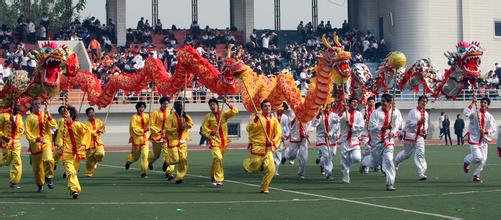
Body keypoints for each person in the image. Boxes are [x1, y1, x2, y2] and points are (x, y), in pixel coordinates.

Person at [361, 94, 402, 191]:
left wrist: (393, 132)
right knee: (374, 163)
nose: (383, 103)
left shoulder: (395, 113)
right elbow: (371, 127)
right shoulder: (376, 113)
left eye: (385, 101)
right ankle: (364, 162)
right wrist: (383, 128)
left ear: (390, 103)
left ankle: (390, 183)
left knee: (388, 160)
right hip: (377, 142)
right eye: (382, 101)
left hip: (388, 141)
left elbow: (397, 125)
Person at [243, 99, 282, 193]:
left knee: (271, 169)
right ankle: (246, 164)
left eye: (269, 106)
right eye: (265, 106)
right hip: (257, 147)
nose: (268, 108)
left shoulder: (274, 120)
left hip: (268, 149)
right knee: (254, 166)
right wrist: (255, 120)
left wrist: (273, 141)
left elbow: (278, 133)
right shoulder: (256, 118)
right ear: (262, 108)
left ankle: (264, 187)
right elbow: (249, 128)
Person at [55, 106, 91, 199]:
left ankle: (73, 187)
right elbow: (59, 139)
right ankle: (75, 190)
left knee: (73, 172)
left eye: (66, 113)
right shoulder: (62, 128)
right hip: (67, 153)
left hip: (77, 153)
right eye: (64, 113)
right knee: (70, 172)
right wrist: (60, 146)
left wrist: (84, 144)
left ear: (71, 114)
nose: (64, 115)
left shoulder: (78, 125)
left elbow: (87, 132)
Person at [201, 97, 239, 186]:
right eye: (210, 105)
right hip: (214, 141)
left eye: (213, 104)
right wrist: (212, 132)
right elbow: (204, 130)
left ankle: (212, 176)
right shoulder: (208, 117)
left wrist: (227, 103)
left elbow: (235, 111)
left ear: (217, 105)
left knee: (216, 160)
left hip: (224, 142)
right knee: (218, 158)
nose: (212, 106)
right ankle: (219, 179)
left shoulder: (224, 113)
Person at [25, 97, 57, 192]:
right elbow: (27, 132)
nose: (38, 105)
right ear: (33, 106)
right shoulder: (29, 118)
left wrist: (49, 116)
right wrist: (36, 139)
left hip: (46, 142)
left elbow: (54, 126)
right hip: (35, 145)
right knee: (37, 168)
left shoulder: (46, 115)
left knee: (48, 159)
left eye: (39, 103)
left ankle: (49, 177)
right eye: (35, 104)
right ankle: (40, 185)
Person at [394, 95, 429, 180]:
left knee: (420, 153)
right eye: (422, 101)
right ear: (418, 101)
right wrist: (418, 122)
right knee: (407, 154)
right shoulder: (412, 111)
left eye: (425, 101)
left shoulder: (426, 113)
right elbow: (409, 123)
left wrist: (425, 130)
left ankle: (421, 172)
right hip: (410, 135)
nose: (424, 103)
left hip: (419, 137)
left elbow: (426, 124)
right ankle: (395, 162)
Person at [463, 97, 497, 183]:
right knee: (478, 158)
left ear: (488, 105)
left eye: (485, 103)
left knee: (484, 160)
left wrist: (485, 131)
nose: (482, 104)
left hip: (483, 140)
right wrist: (472, 103)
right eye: (481, 102)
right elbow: (466, 113)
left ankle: (476, 175)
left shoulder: (490, 116)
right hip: (474, 139)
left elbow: (493, 129)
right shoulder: (475, 112)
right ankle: (466, 160)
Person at [164, 101, 193, 184]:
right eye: (179, 106)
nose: (180, 107)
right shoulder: (170, 117)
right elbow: (167, 130)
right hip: (173, 140)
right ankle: (167, 162)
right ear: (175, 107)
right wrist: (176, 129)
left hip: (182, 140)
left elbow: (190, 125)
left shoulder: (184, 116)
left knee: (183, 159)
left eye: (181, 106)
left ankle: (179, 178)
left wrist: (186, 117)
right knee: (175, 160)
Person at [339, 98, 364, 183]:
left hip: (354, 140)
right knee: (343, 163)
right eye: (353, 102)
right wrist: (342, 111)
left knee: (357, 158)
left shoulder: (359, 114)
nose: (355, 103)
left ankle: (348, 163)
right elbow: (336, 120)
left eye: (357, 102)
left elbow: (361, 126)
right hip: (344, 140)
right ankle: (345, 179)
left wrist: (352, 125)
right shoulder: (344, 114)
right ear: (349, 103)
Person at [311, 103, 339, 180]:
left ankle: (321, 164)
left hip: (331, 138)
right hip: (321, 137)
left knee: (331, 155)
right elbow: (313, 124)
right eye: (325, 105)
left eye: (328, 105)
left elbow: (336, 126)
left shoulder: (334, 115)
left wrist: (330, 134)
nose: (327, 107)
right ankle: (329, 172)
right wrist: (318, 116)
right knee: (326, 155)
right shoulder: (319, 115)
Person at [281, 111, 313, 179]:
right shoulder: (292, 112)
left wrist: (308, 133)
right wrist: (296, 116)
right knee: (291, 156)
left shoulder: (309, 113)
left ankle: (301, 173)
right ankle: (285, 156)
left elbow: (310, 126)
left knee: (304, 158)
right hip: (294, 137)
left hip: (304, 139)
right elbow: (289, 123)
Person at [0, 104, 24, 189]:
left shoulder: (19, 117)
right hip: (6, 142)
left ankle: (14, 182)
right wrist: (2, 136)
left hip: (16, 142)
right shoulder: (3, 116)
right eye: (16, 109)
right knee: (6, 161)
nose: (18, 110)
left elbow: (21, 130)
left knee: (17, 161)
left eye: (19, 110)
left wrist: (13, 122)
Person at [125, 102, 150, 178]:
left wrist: (151, 119)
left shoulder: (147, 116)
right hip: (136, 139)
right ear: (137, 108)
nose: (141, 109)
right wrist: (144, 130)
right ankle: (129, 162)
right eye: (140, 107)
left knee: (145, 155)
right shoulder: (134, 117)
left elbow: (152, 124)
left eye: (143, 107)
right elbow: (134, 129)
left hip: (145, 139)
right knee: (135, 156)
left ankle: (144, 172)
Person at [148, 96, 171, 171]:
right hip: (157, 136)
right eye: (164, 103)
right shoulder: (155, 113)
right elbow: (151, 125)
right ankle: (150, 162)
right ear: (161, 104)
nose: (166, 105)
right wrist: (159, 131)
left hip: (166, 136)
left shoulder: (170, 112)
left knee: (167, 152)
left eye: (167, 103)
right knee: (156, 155)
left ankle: (167, 167)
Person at [84, 107, 106, 177]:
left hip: (98, 141)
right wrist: (97, 131)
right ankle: (89, 172)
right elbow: (90, 132)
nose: (92, 114)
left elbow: (102, 129)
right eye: (90, 113)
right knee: (89, 161)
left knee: (101, 154)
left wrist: (102, 128)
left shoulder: (99, 121)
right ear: (87, 115)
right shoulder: (85, 124)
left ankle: (96, 161)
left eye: (92, 112)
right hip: (89, 143)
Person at [272, 103, 290, 176]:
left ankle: (275, 170)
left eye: (284, 109)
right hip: (271, 138)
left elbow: (286, 128)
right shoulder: (272, 115)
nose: (283, 110)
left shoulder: (285, 117)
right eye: (282, 108)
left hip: (279, 139)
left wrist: (285, 136)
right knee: (270, 154)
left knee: (278, 153)